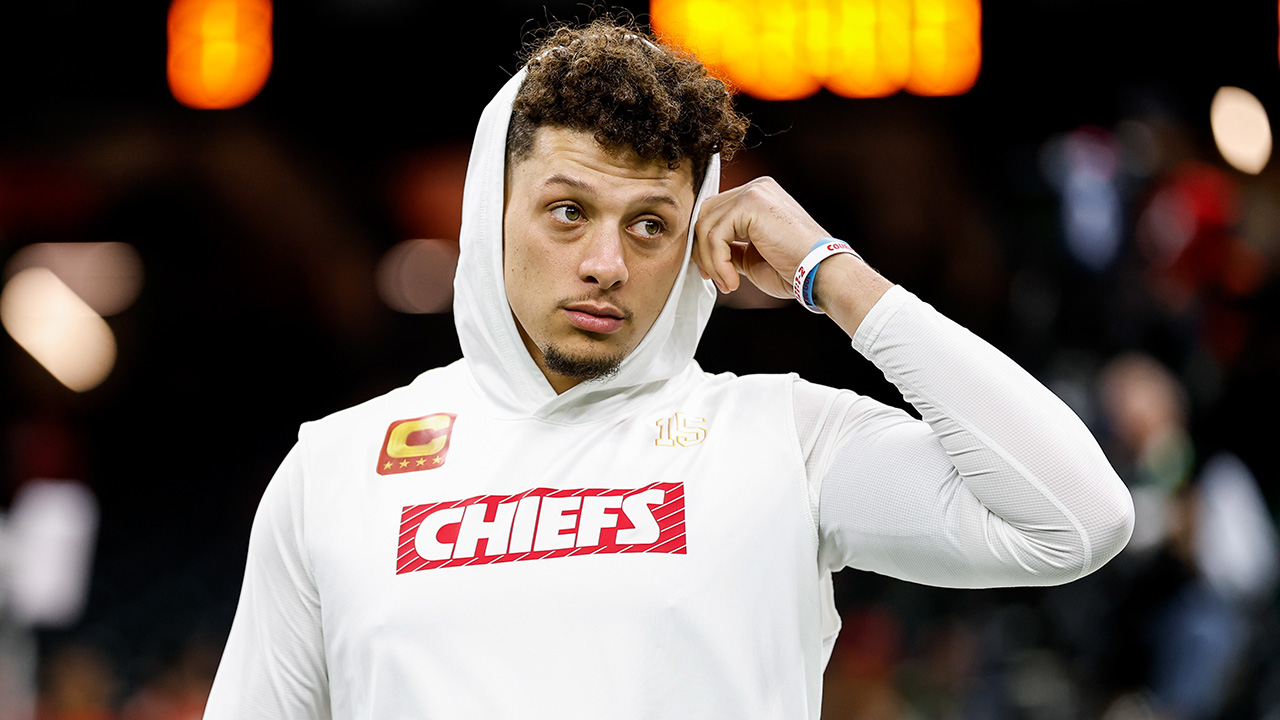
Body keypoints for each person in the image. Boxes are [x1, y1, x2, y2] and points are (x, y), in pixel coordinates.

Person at [202, 20, 1134, 719]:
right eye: (568, 211)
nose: (607, 261)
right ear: (490, 212)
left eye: (650, 223)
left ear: (695, 239)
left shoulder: (786, 439)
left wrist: (828, 269)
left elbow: (1074, 519)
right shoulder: (337, 467)